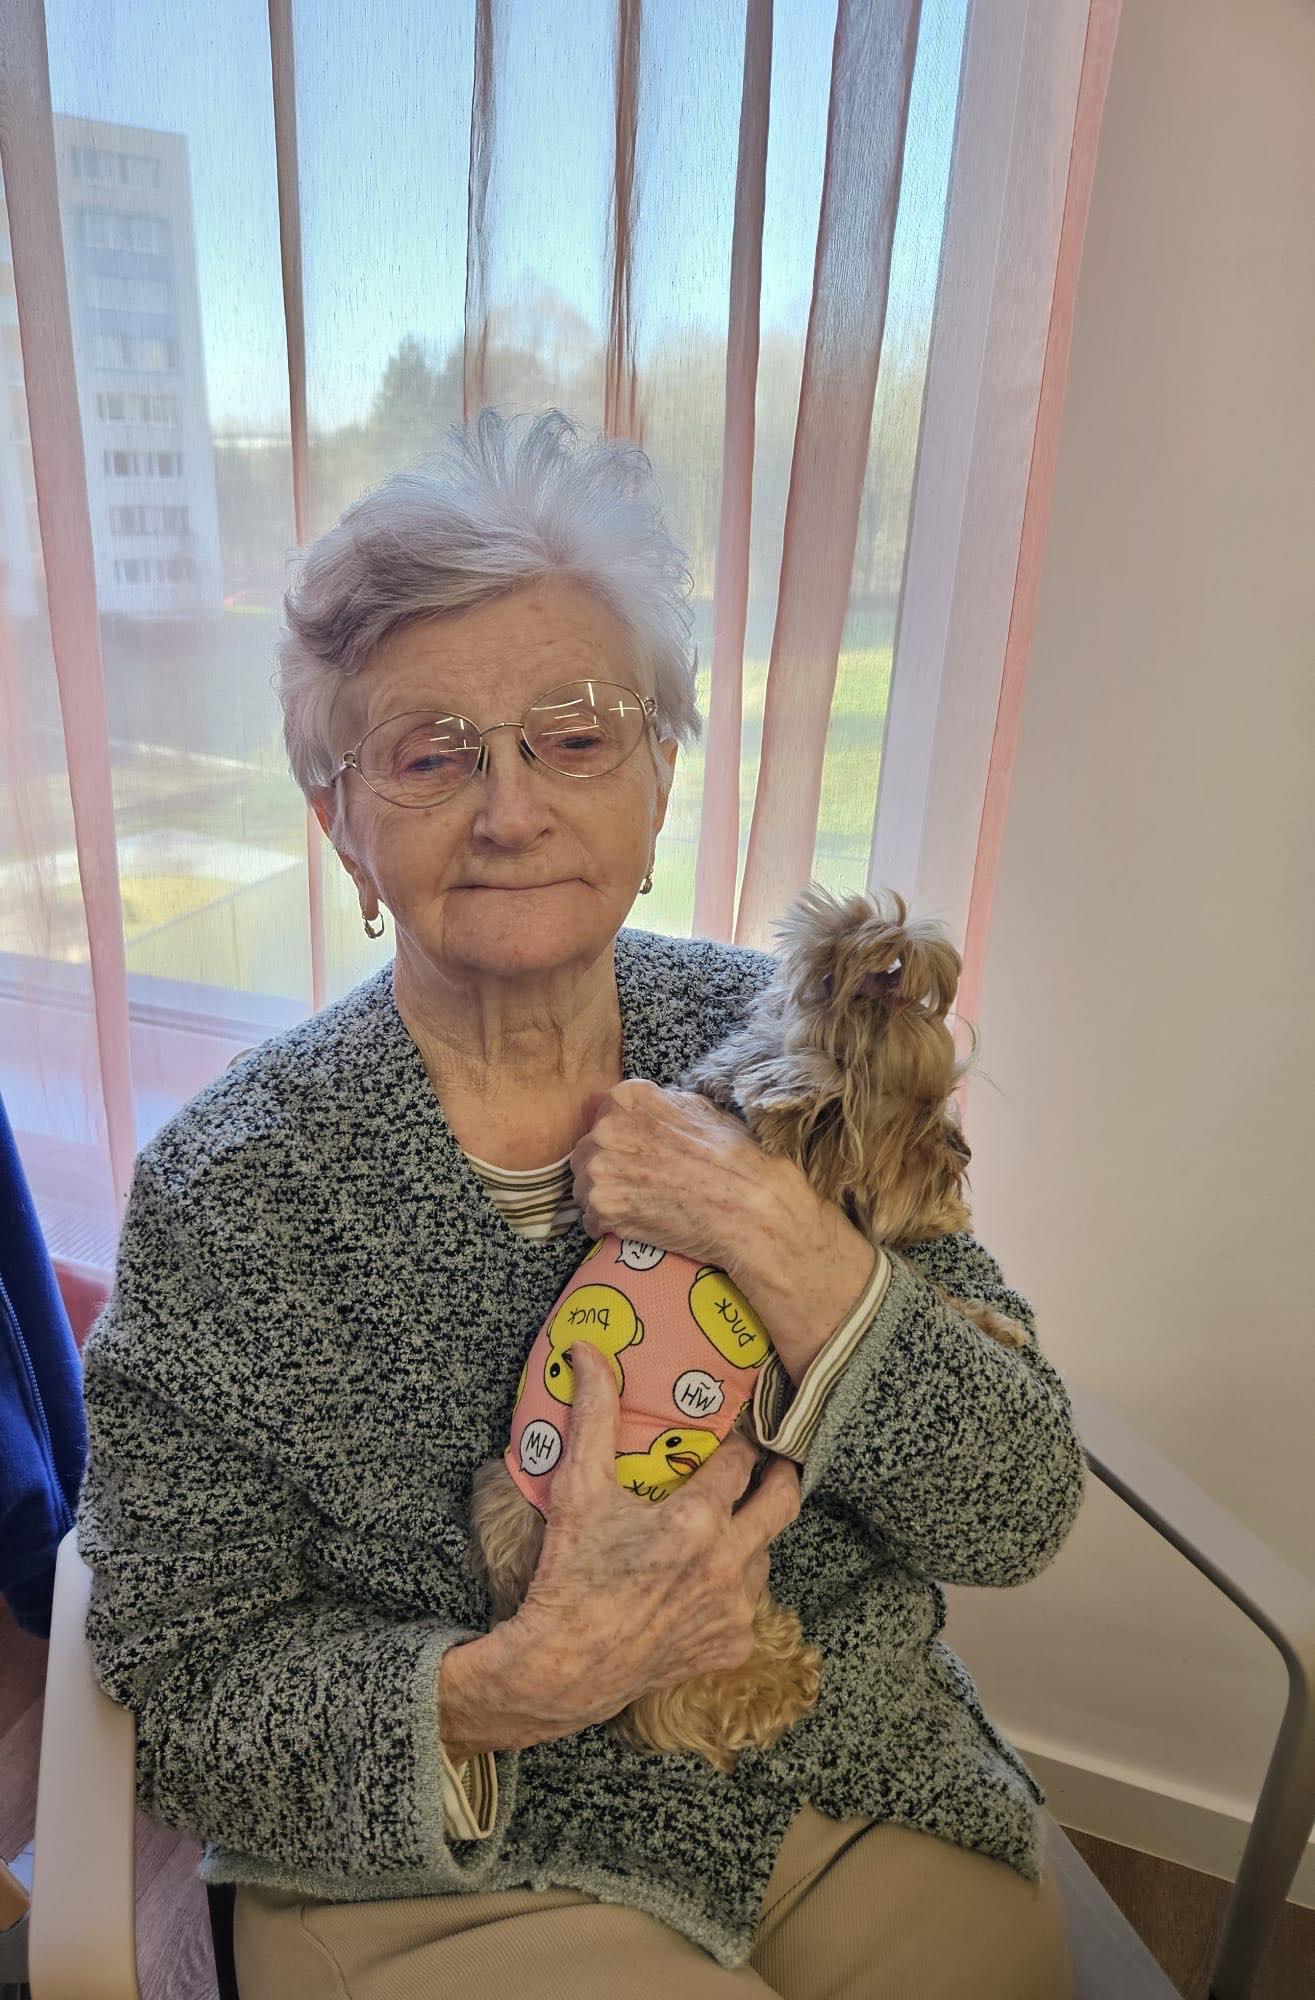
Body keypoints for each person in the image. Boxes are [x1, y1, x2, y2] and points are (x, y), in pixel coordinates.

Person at [76, 407, 1083, 1998]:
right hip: (464, 1854)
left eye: (575, 734)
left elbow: (1015, 1503)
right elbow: (186, 1678)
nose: (511, 809)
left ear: (660, 778)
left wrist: (769, 1229)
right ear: (341, 827)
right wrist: (513, 1682)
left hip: (845, 1780)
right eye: (430, 755)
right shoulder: (232, 1188)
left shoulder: (794, 1044)